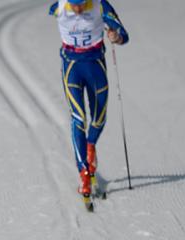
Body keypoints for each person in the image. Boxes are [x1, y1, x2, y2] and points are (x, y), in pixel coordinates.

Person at [49, 0, 129, 199]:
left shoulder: (100, 6)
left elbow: (124, 35)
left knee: (99, 118)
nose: (77, 9)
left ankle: (90, 145)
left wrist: (116, 36)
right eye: (74, 4)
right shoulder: (59, 7)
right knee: (78, 118)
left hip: (95, 66)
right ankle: (84, 172)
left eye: (81, 4)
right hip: (72, 67)